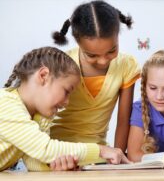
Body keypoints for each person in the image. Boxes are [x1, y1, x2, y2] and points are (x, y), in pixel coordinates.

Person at [0, 47, 130, 171]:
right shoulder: (6, 103)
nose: (67, 102)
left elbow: (34, 162)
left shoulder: (38, 117)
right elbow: (45, 149)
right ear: (44, 75)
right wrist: (101, 150)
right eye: (66, 91)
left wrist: (55, 167)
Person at [51, 0, 140, 152]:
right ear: (78, 43)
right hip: (57, 148)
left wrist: (117, 156)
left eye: (111, 51)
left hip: (98, 152)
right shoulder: (62, 62)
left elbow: (124, 120)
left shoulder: (126, 65)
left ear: (117, 36)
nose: (103, 61)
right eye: (92, 55)